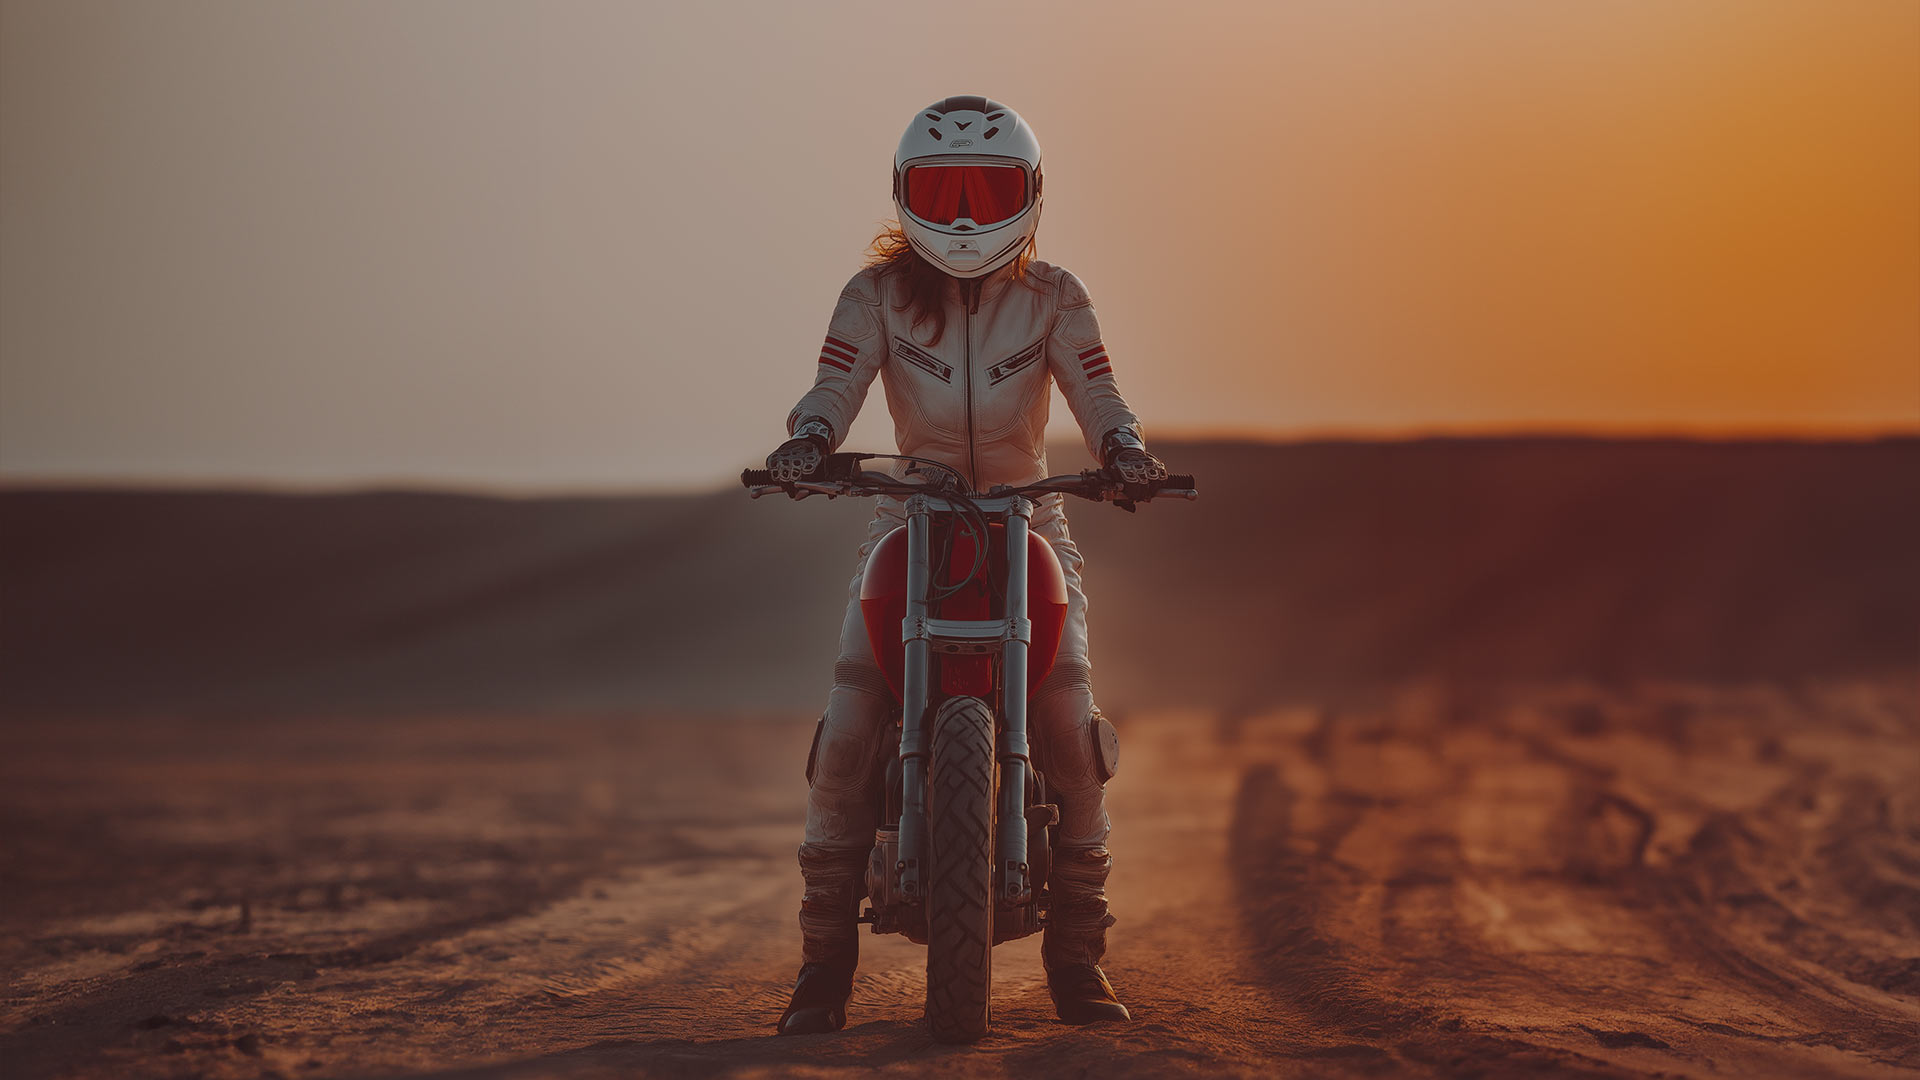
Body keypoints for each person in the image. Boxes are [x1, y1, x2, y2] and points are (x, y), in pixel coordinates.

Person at [766, 96, 1169, 1036]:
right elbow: (832, 386)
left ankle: (1076, 960)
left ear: (1028, 196)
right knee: (853, 724)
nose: (960, 215)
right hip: (907, 515)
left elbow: (1101, 396)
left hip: (1030, 518)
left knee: (1070, 730)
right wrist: (810, 437)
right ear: (904, 195)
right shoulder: (873, 296)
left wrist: (1125, 453)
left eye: (985, 190)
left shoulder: (1057, 297)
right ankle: (822, 967)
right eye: (940, 190)